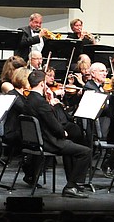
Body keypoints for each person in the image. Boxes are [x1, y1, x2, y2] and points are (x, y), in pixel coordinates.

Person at [24, 70, 92, 198]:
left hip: (36, 141)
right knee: (85, 152)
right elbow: (54, 125)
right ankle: (71, 186)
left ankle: (73, 184)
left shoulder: (29, 99)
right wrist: (63, 132)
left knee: (71, 149)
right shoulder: (41, 102)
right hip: (49, 142)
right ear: (42, 84)